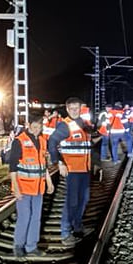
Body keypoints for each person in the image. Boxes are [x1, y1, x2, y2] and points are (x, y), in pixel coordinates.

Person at [48, 97, 95, 247]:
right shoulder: (65, 126)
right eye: (72, 109)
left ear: (80, 109)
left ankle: (78, 227)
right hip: (72, 169)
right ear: (67, 109)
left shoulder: (83, 124)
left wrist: (96, 163)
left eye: (77, 108)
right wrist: (60, 162)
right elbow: (52, 142)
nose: (75, 111)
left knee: (84, 199)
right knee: (72, 202)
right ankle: (65, 233)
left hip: (84, 168)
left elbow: (88, 145)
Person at [7, 115, 55, 257]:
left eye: (39, 127)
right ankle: (18, 246)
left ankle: (31, 246)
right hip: (24, 187)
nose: (36, 130)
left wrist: (49, 181)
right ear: (28, 125)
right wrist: (15, 188)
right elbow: (13, 167)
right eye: (34, 127)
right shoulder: (19, 141)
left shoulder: (42, 140)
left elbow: (43, 164)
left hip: (38, 187)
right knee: (24, 216)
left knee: (36, 217)